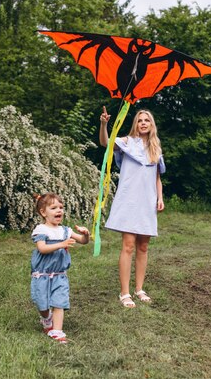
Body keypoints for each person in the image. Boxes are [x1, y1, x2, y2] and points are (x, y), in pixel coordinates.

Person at [99, 106, 165, 308]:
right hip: (129, 200)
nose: (143, 123)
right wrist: (104, 124)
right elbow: (106, 143)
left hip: (147, 201)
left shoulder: (155, 148)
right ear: (135, 124)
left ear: (151, 125)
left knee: (143, 247)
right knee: (128, 246)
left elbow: (157, 177)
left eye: (147, 120)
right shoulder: (127, 142)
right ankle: (124, 292)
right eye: (140, 120)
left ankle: (139, 289)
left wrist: (159, 198)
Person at [30, 193, 90, 344]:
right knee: (41, 304)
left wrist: (86, 235)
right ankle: (46, 318)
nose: (59, 211)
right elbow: (42, 248)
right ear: (43, 212)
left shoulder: (65, 230)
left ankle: (57, 331)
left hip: (59, 275)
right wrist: (61, 244)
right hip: (42, 275)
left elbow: (82, 241)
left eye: (61, 208)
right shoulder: (41, 229)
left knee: (59, 302)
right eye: (54, 208)